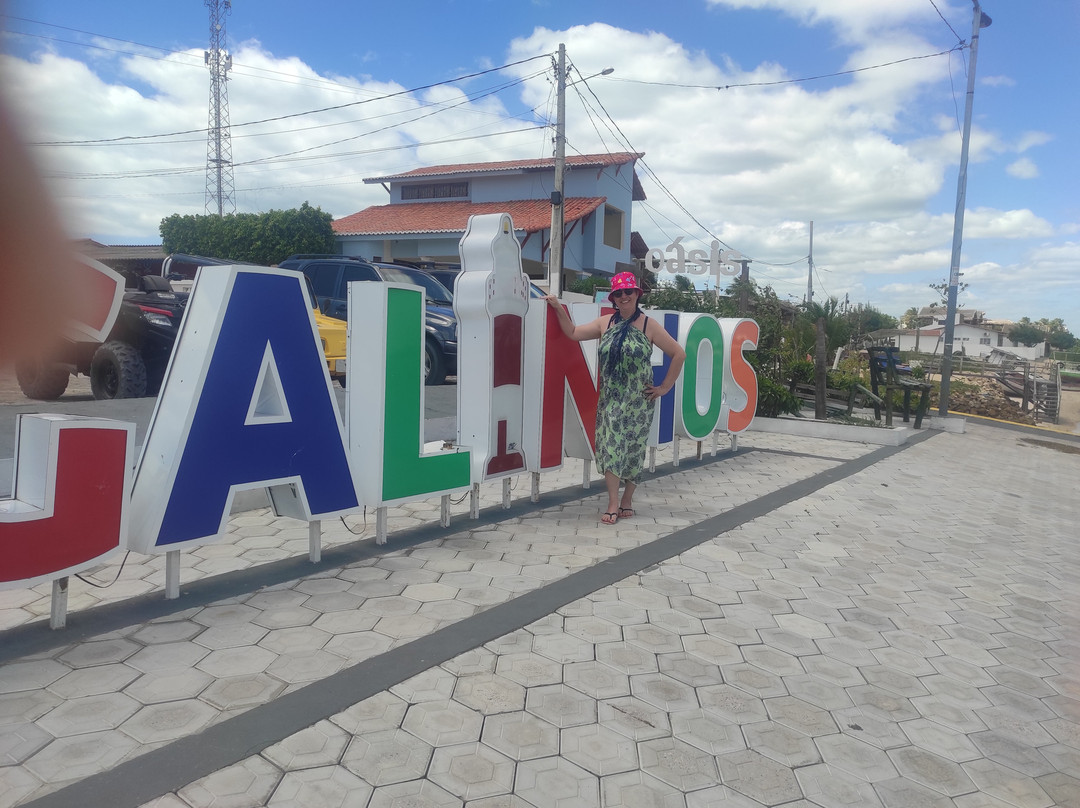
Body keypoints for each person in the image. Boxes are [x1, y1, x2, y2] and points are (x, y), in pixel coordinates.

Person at [545, 272, 685, 525]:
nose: (623, 297)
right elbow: (574, 333)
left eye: (628, 292)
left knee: (633, 449)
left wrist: (664, 387)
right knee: (610, 448)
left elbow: (678, 354)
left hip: (638, 402)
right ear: (613, 298)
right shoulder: (605, 323)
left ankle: (627, 500)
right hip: (611, 399)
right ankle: (612, 501)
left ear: (637, 294)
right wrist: (557, 307)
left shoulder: (647, 325)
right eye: (618, 293)